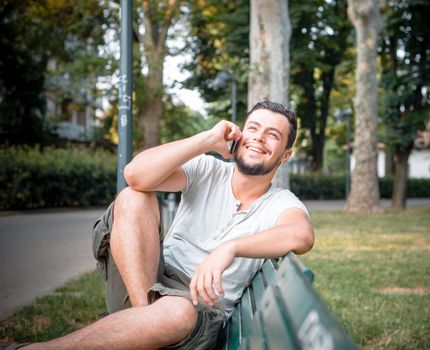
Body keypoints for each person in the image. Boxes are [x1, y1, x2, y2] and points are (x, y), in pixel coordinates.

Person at [11, 101, 314, 350]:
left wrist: (230, 248)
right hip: (145, 279)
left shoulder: (281, 202)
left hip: (196, 309)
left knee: (178, 310)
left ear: (286, 155)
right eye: (253, 128)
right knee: (133, 197)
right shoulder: (207, 169)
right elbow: (135, 174)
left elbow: (301, 235)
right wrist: (207, 140)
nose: (259, 137)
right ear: (239, 135)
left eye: (273, 135)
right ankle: (143, 320)